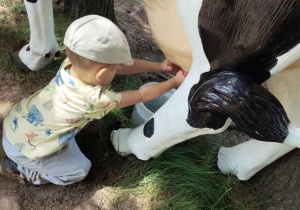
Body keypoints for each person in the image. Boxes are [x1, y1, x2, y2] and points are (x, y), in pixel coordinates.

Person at [0, 15, 185, 185]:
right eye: (114, 69)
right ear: (102, 73)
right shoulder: (94, 100)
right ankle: (21, 170)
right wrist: (173, 83)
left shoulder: (70, 65)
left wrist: (160, 66)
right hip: (28, 151)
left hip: (15, 124)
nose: (119, 69)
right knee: (80, 170)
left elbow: (121, 66)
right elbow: (142, 95)